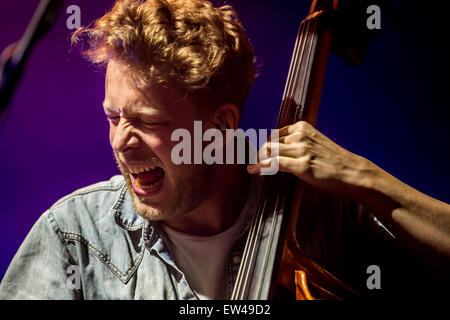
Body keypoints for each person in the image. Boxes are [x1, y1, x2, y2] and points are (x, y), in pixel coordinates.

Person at [0, 0, 449, 300]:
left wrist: (369, 180)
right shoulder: (75, 235)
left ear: (220, 125)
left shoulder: (323, 217)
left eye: (148, 122)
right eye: (114, 117)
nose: (120, 141)